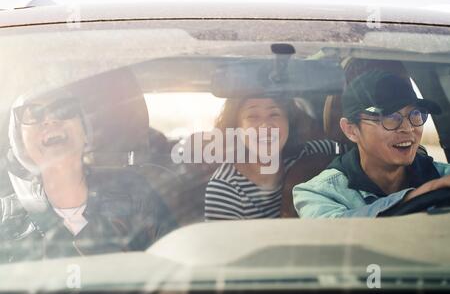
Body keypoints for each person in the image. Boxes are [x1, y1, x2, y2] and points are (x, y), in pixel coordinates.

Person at [0, 90, 176, 263]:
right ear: (19, 143)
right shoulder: (6, 218)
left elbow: (174, 272)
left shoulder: (135, 192)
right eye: (33, 114)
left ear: (85, 131)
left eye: (64, 109)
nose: (50, 120)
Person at [293, 70, 450, 218]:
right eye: (390, 117)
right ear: (351, 130)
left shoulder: (443, 176)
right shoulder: (318, 193)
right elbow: (335, 230)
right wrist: (420, 195)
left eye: (415, 114)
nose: (408, 128)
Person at [204, 97, 339, 220]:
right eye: (252, 116)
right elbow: (226, 246)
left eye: (274, 114)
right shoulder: (224, 187)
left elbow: (355, 151)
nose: (265, 125)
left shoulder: (310, 153)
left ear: (289, 122)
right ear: (236, 127)